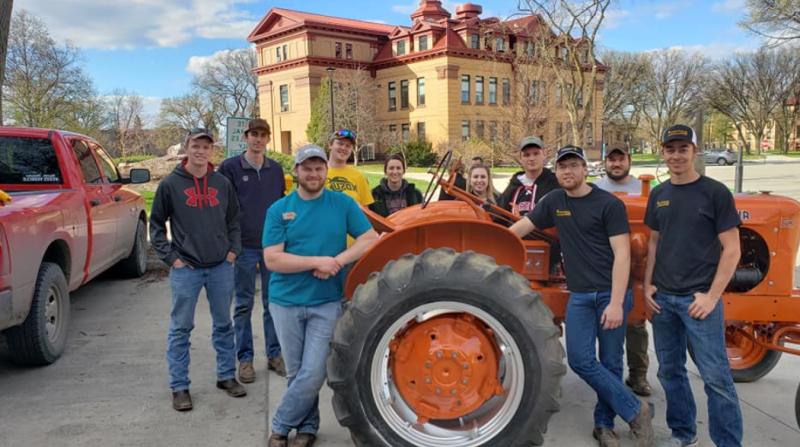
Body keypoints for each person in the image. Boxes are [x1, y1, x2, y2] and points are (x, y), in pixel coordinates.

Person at [510, 145, 653, 447]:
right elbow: (523, 226)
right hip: (580, 296)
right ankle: (636, 410)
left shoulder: (608, 204)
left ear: (586, 170)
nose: (567, 172)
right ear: (557, 172)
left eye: (574, 166)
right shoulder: (555, 201)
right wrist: (490, 244)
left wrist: (616, 303)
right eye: (562, 167)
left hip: (610, 294)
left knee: (611, 362)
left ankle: (604, 426)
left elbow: (623, 255)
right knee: (580, 359)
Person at [264, 145, 379, 447]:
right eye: (307, 168)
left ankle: (279, 425)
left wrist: (338, 261)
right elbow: (273, 260)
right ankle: (307, 428)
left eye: (318, 168)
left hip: (326, 302)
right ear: (296, 171)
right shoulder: (279, 210)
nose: (313, 174)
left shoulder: (342, 203)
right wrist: (317, 262)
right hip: (285, 302)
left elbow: (369, 238)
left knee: (314, 372)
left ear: (326, 171)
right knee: (296, 372)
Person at [644, 125, 743, 447]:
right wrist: (647, 286)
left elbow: (732, 248)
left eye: (682, 149)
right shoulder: (658, 194)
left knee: (716, 379)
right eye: (670, 149)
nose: (676, 155)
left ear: (694, 152)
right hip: (664, 301)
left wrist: (713, 297)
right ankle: (684, 434)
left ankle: (728, 442)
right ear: (663, 153)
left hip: (699, 301)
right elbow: (654, 244)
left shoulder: (715, 193)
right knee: (669, 373)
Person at [149, 128, 246, 412]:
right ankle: (179, 386)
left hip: (220, 267)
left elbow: (233, 222)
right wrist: (172, 258)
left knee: (223, 324)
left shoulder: (221, 183)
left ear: (212, 150)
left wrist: (232, 252)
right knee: (181, 328)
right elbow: (156, 226)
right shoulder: (170, 184)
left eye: (206, 147)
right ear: (187, 149)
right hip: (186, 269)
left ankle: (226, 376)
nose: (201, 151)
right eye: (196, 146)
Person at [218, 118, 287, 383]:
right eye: (253, 134)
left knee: (273, 304)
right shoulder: (230, 168)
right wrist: (229, 246)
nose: (258, 139)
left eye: (263, 135)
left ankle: (274, 354)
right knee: (243, 305)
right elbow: (224, 209)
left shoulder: (276, 170)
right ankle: (245, 360)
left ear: (268, 139)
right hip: (243, 247)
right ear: (245, 137)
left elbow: (281, 207)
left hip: (271, 247)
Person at [593, 143, 651, 397]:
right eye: (611, 159)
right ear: (605, 162)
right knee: (605, 322)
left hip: (637, 261)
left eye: (621, 159)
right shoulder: (596, 189)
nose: (616, 164)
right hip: (603, 262)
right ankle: (606, 376)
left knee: (636, 322)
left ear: (629, 160)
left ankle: (638, 375)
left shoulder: (644, 189)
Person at [498, 135, 559, 217]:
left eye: (536, 153)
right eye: (526, 155)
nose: (531, 158)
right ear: (520, 158)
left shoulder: (555, 183)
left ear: (544, 154)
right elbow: (499, 216)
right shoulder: (513, 186)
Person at [325, 129, 373, 207]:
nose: (344, 148)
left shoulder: (359, 177)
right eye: (340, 144)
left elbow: (366, 212)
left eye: (348, 146)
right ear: (330, 145)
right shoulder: (318, 174)